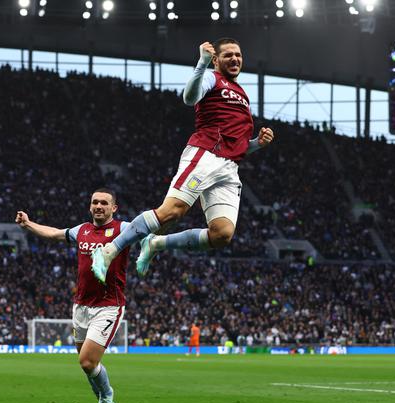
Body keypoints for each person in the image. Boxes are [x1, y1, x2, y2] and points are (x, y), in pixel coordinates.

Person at [91, 37, 275, 283]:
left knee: (222, 234)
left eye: (238, 55)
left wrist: (256, 144)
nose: (234, 59)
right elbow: (189, 98)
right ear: (217, 60)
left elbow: (237, 147)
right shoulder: (212, 77)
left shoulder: (242, 94)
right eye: (228, 55)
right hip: (206, 154)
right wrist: (201, 63)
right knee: (171, 212)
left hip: (229, 168)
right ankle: (107, 251)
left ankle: (156, 244)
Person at [15, 188, 128, 403]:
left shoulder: (123, 229)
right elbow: (55, 234)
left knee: (87, 362)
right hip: (81, 306)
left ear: (113, 208)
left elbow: (151, 229)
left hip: (108, 306)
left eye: (104, 203)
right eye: (94, 202)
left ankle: (107, 398)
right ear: (90, 206)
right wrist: (28, 224)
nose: (98, 206)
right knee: (88, 364)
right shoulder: (82, 230)